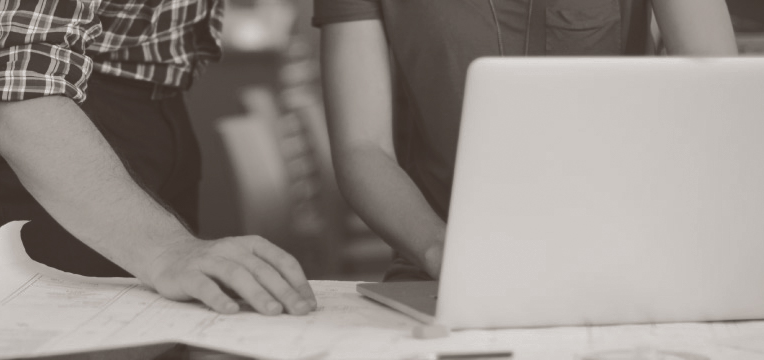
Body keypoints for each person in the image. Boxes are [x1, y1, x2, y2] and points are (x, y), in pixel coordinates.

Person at [0, 0, 315, 316]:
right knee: (64, 332)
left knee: (160, 325)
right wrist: (164, 248)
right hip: (52, 110)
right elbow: (15, 88)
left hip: (155, 97)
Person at [315, 0, 740, 282]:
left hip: (632, 262)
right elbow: (362, 148)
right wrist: (442, 250)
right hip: (445, 273)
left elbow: (722, 103)